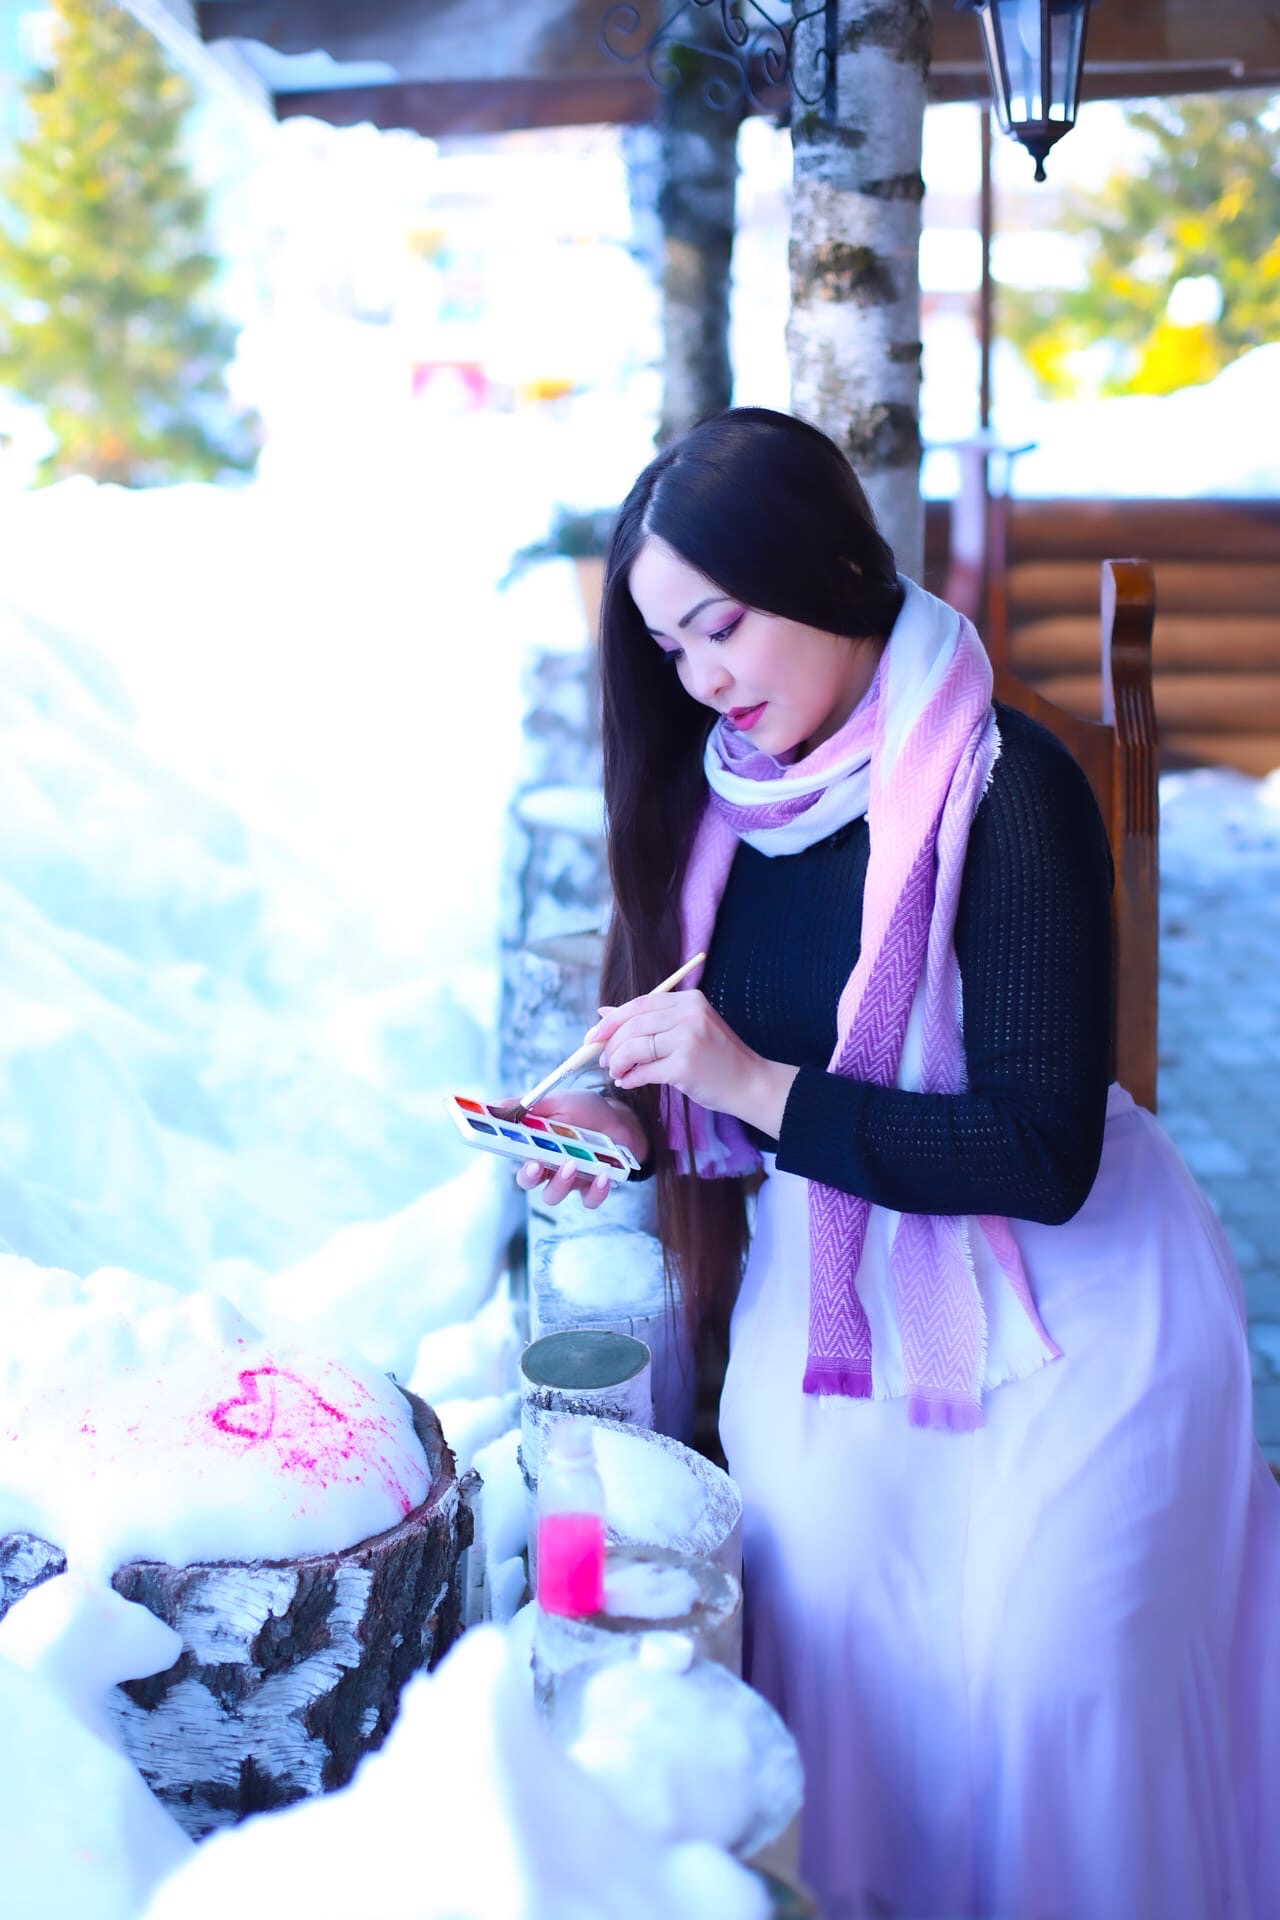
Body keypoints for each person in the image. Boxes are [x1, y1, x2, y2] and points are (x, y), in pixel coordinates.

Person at [514, 407, 1280, 1920]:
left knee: (1053, 1684)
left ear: (826, 568)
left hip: (1074, 1307)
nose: (705, 679)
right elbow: (738, 1082)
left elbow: (1038, 1149)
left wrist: (747, 1082)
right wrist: (630, 1122)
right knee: (845, 1666)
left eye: (721, 627)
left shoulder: (1007, 786)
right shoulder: (733, 807)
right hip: (841, 1300)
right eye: (671, 649)